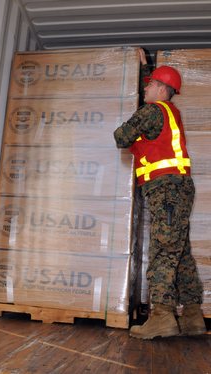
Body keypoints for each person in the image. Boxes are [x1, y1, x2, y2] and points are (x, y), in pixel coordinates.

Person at [114, 48, 206, 339]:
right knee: (180, 253)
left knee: (164, 252)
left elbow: (121, 136)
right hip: (177, 189)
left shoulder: (152, 111)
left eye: (150, 83)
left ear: (162, 88)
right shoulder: (169, 113)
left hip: (165, 190)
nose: (146, 86)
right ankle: (192, 317)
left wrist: (134, 134)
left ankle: (163, 316)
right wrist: (146, 68)